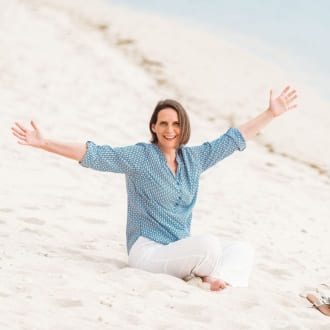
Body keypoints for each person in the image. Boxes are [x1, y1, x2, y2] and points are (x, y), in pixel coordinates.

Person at [11, 86, 297, 291]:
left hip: (179, 248)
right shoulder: (141, 157)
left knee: (242, 249)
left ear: (183, 127)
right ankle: (211, 277)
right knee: (208, 245)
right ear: (154, 127)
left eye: (175, 123)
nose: (169, 129)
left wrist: (270, 114)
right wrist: (44, 143)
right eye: (163, 123)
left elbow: (233, 139)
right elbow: (93, 153)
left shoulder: (194, 159)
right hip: (147, 252)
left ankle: (212, 276)